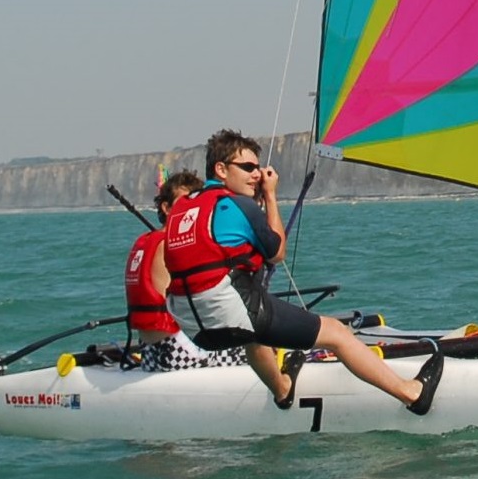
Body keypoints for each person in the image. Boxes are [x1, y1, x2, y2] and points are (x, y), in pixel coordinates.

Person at [148, 129, 443, 414]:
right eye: (248, 167)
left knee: (253, 335)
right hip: (233, 314)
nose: (257, 175)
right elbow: (276, 254)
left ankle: (282, 389)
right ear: (221, 170)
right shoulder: (237, 205)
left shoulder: (182, 209)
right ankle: (411, 393)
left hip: (196, 329)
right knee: (337, 333)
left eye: (258, 169)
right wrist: (271, 197)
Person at [122, 172, 200, 348]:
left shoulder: (145, 242)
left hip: (149, 350)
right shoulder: (173, 245)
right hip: (175, 349)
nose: (192, 209)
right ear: (166, 208)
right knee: (255, 345)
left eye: (195, 203)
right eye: (185, 202)